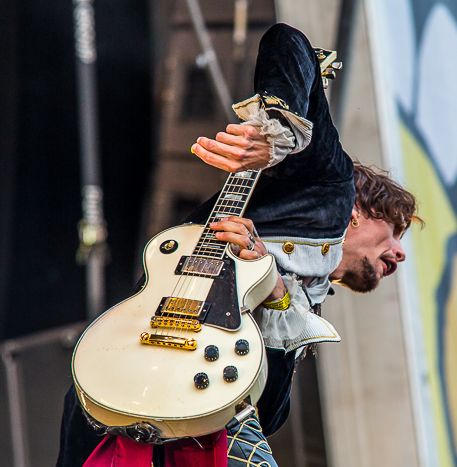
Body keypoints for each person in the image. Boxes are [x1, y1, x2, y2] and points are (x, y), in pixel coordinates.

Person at [57, 23, 421, 466]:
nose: (401, 252)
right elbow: (287, 41)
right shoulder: (331, 188)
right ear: (358, 210)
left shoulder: (305, 308)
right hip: (120, 377)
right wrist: (277, 131)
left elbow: (269, 416)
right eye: (395, 229)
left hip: (194, 421)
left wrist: (279, 298)